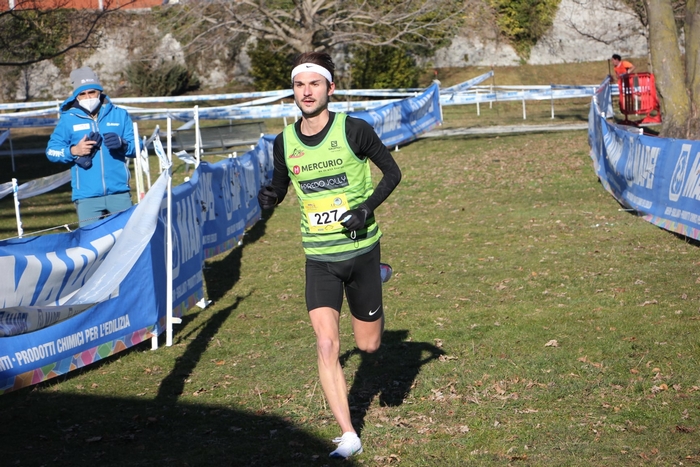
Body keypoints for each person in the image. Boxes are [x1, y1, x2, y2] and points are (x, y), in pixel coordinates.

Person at [257, 51, 402, 459]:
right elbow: (280, 185)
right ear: (293, 91)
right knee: (326, 344)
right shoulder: (284, 142)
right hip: (319, 257)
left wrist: (366, 209)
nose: (307, 92)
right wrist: (271, 196)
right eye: (299, 85)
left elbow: (393, 173)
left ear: (330, 89)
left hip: (361, 250)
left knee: (368, 346)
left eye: (314, 84)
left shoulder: (353, 130)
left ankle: (378, 273)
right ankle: (348, 434)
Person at [46, 66, 136, 227]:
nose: (88, 97)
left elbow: (137, 146)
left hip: (119, 193)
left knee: (127, 238)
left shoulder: (119, 114)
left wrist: (123, 144)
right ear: (76, 96)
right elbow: (51, 151)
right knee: (92, 242)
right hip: (87, 197)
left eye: (92, 92)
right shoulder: (68, 119)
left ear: (99, 92)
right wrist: (73, 151)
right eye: (82, 94)